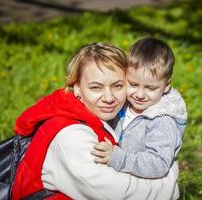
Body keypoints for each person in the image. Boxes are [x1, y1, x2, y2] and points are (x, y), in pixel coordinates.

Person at [11, 42, 179, 200]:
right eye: (96, 87)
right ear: (77, 87)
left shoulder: (97, 117)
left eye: (118, 86)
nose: (109, 98)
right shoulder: (71, 136)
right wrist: (169, 179)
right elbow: (117, 194)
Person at [92, 38, 187, 185]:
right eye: (133, 84)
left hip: (145, 188)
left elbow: (159, 163)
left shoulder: (162, 120)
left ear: (166, 85)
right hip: (121, 181)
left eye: (150, 88)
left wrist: (119, 158)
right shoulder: (124, 104)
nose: (140, 94)